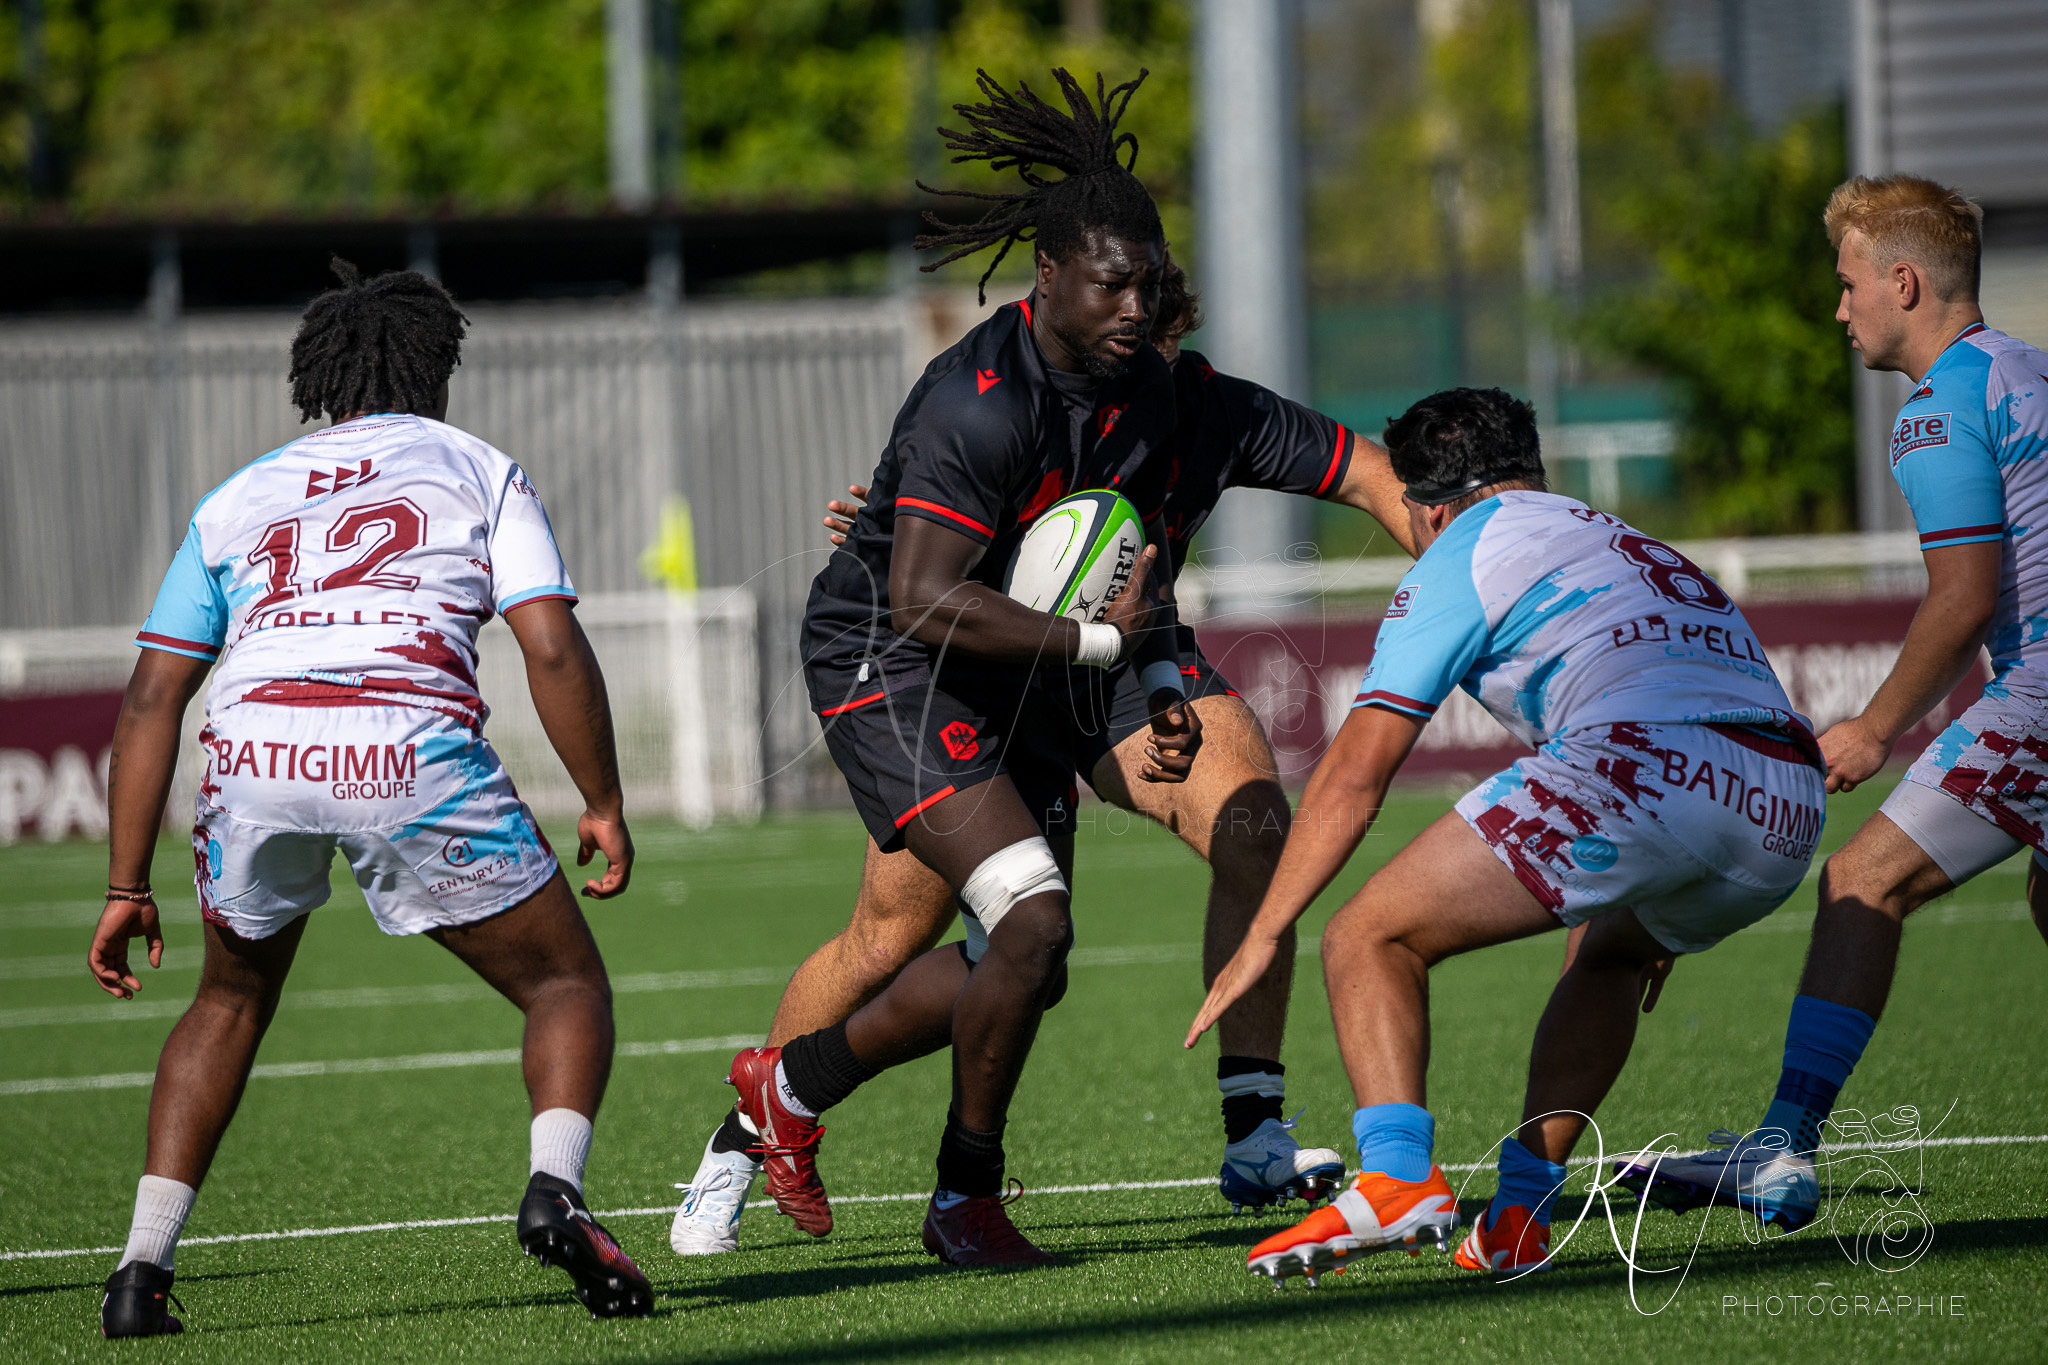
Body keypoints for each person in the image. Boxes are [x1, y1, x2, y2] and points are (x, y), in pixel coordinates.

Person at [668, 258, 1417, 1255]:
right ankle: (744, 1139)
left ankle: (1254, 1134)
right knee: (895, 942)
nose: (1119, 369)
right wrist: (886, 527)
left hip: (1113, 663)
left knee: (1252, 826)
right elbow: (926, 551)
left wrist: (1470, 557)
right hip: (966, 669)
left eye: (1148, 340)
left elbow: (1367, 469)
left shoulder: (1206, 412)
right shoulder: (1009, 399)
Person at [680, 68, 1192, 1269]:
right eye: (1109, 283)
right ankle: (960, 1200)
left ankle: (785, 1092)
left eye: (1148, 285)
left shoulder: (1146, 390)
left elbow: (1131, 552)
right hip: (887, 657)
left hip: (1008, 663)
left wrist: (1155, 671)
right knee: (1029, 920)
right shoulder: (978, 401)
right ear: (1048, 278)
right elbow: (917, 600)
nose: (1132, 304)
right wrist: (1104, 648)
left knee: (1021, 961)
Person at [88, 262, 650, 1336]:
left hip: (253, 748)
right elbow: (549, 645)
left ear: (321, 380)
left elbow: (154, 694)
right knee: (564, 984)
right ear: (434, 368)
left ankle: (138, 1274)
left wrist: (125, 883)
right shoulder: (479, 468)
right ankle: (554, 1191)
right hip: (403, 742)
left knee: (228, 1000)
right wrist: (602, 798)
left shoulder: (238, 493)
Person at [1186, 386, 1828, 1283]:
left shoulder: (1458, 552)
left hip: (1646, 770)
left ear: (1430, 504)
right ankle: (1519, 1214)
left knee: (1366, 936)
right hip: (1786, 806)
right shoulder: (1621, 534)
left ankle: (1399, 1180)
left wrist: (1261, 934)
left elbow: (1354, 774)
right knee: (1605, 954)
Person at [1621, 174, 2048, 1230]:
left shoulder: (1938, 407)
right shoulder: (2027, 368)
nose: (1836, 306)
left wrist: (1870, 727)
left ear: (1900, 282)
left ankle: (1781, 1147)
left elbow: (1962, 598)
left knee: (1861, 879)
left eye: (1846, 281)